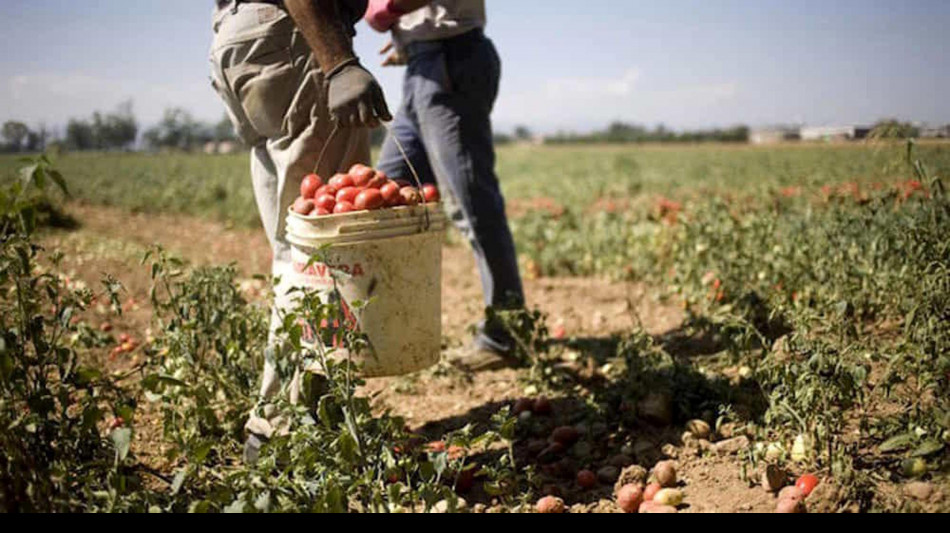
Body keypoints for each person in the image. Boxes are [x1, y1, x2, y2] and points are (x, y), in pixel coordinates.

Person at [209, 0, 391, 463]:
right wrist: (339, 62)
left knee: (296, 250)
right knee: (322, 252)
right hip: (295, 37)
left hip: (241, 40)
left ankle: (306, 418)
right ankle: (282, 431)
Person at [364, 0, 526, 371]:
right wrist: (408, 36)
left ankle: (506, 334)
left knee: (472, 203)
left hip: (452, 60)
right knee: (386, 192)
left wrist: (386, 10)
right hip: (424, 63)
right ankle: (390, 326)